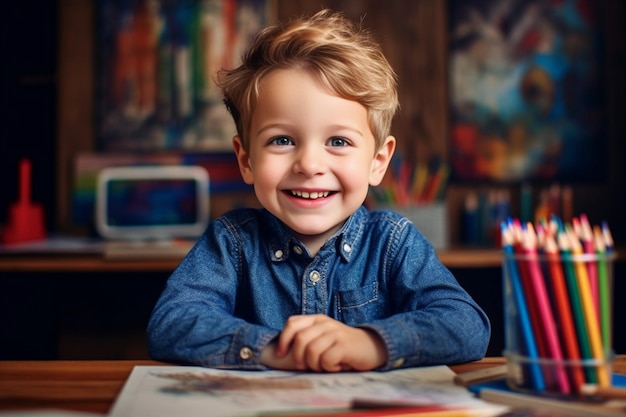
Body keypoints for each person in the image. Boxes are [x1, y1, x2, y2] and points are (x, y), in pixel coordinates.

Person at [147, 9, 490, 372]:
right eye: (282, 140)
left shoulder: (393, 242)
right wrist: (271, 348)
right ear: (246, 160)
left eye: (338, 141)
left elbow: (466, 326)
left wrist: (372, 342)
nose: (309, 165)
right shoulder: (232, 242)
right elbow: (171, 324)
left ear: (377, 161)